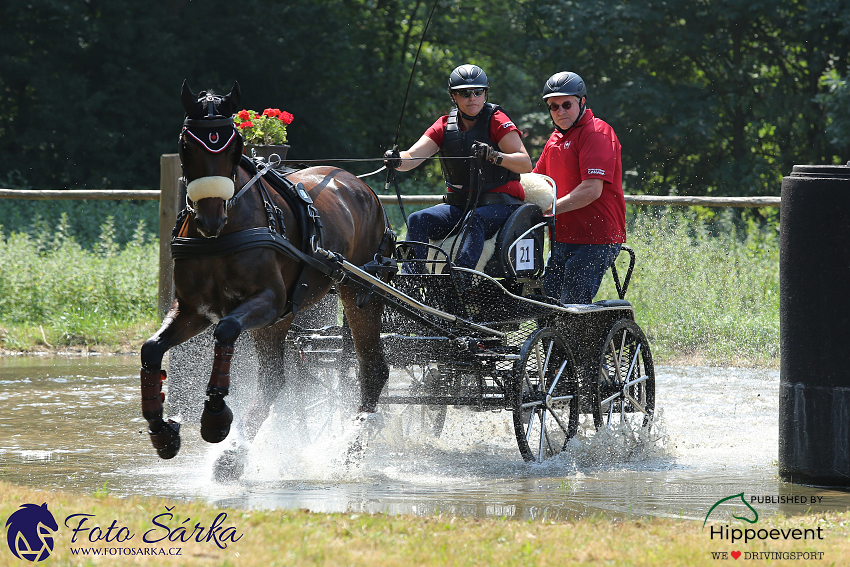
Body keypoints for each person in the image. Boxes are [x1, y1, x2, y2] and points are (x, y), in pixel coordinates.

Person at [384, 64, 532, 272]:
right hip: (461, 206)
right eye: (464, 93)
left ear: (484, 94)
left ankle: (460, 277)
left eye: (478, 92)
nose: (472, 97)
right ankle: (413, 280)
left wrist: (494, 155)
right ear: (454, 96)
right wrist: (397, 161)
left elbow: (525, 163)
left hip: (502, 205)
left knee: (476, 218)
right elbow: (412, 157)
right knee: (417, 219)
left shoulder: (498, 120)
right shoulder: (444, 125)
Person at [532, 71, 626, 304]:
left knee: (572, 306)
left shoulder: (597, 132)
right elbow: (535, 181)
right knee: (545, 305)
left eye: (566, 104)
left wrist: (548, 210)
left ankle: (585, 342)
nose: (560, 111)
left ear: (582, 102)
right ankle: (553, 342)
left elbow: (591, 190)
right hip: (562, 238)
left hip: (596, 239)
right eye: (554, 107)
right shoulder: (555, 139)